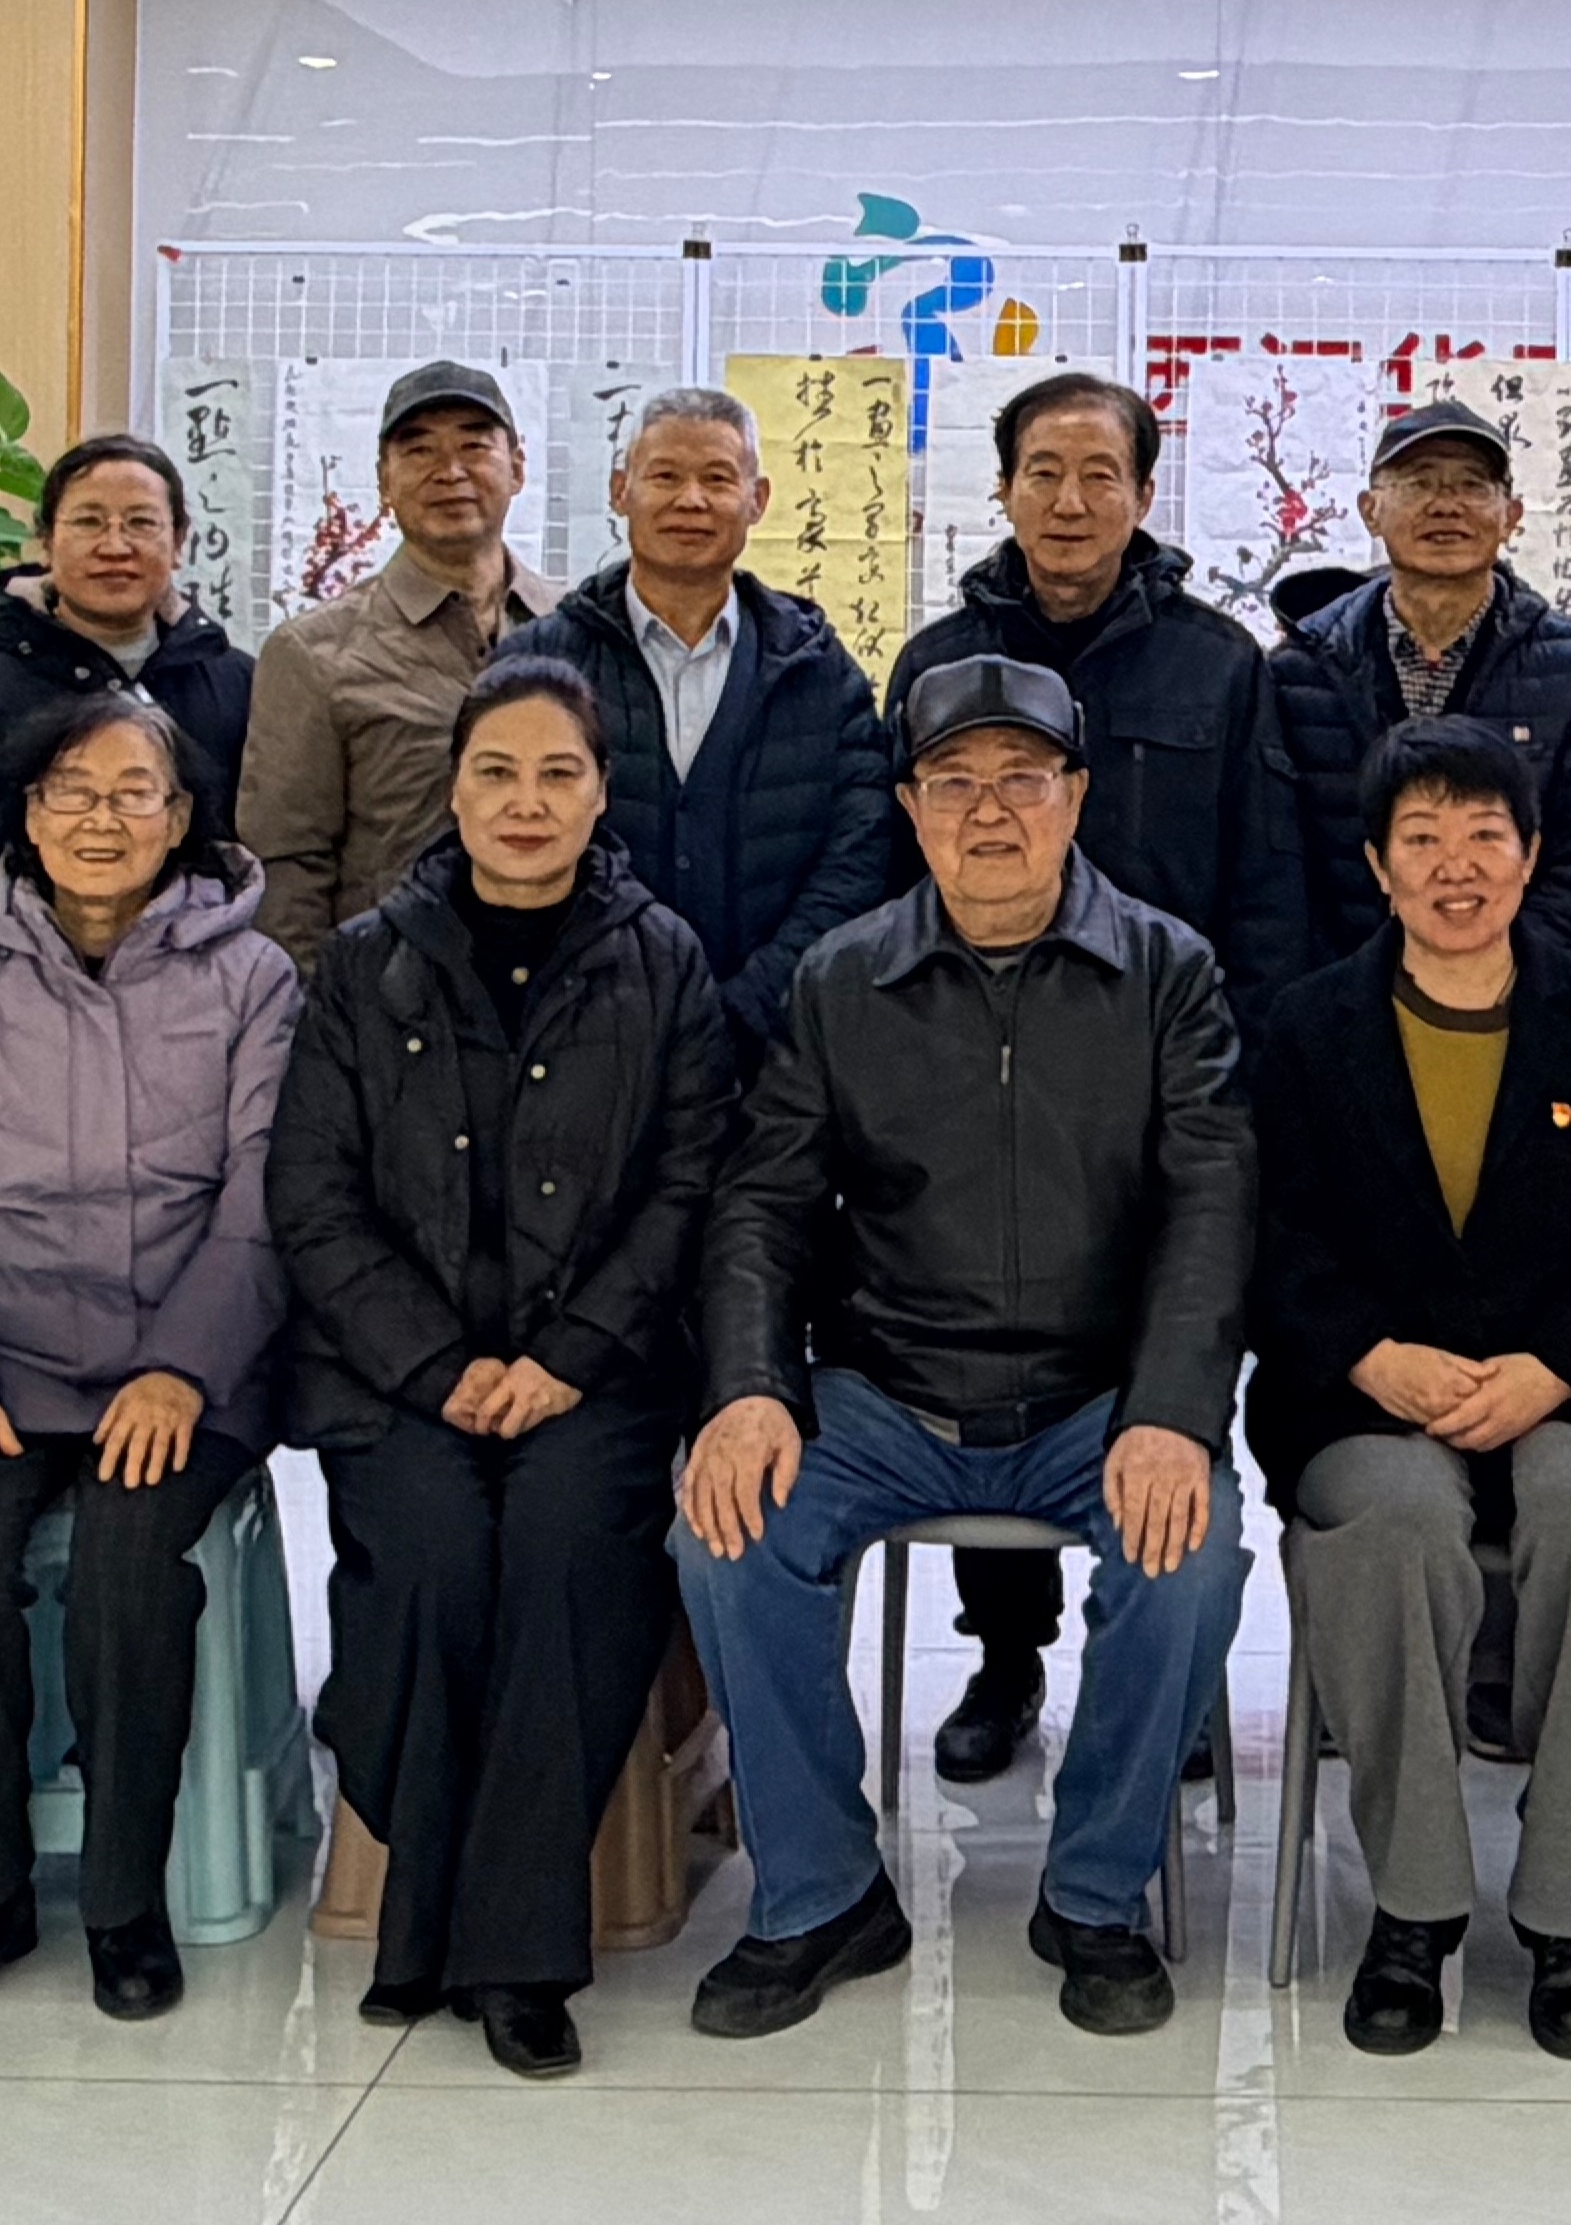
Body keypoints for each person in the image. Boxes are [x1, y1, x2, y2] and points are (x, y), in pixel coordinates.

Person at [672, 653, 1258, 2043]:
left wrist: (1170, 1411)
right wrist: (749, 1388)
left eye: (1021, 778)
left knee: (1189, 1556)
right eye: (953, 783)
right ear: (910, 808)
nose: (988, 811)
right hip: (885, 1390)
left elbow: (1212, 1199)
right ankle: (818, 1891)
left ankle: (1096, 1894)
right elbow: (759, 1203)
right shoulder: (843, 976)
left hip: (1094, 1396)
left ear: (1076, 796)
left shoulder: (1165, 970)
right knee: (726, 1532)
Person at [274, 657, 736, 2079]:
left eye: (556, 774)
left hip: (596, 1372)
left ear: (600, 796)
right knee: (426, 1557)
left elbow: (687, 1184)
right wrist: (433, 1366)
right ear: (452, 791)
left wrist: (566, 1357)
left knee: (559, 1548)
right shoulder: (366, 962)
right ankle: (423, 1911)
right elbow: (313, 1196)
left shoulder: (663, 961)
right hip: (396, 1375)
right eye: (496, 772)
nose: (525, 802)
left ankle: (519, 1952)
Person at [0, 693, 300, 2027]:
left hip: (187, 1364)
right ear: (28, 817)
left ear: (181, 814)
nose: (101, 818)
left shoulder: (252, 979)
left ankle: (122, 1897)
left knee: (127, 1564)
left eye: (133, 790)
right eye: (69, 792)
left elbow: (266, 1199)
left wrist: (185, 1366)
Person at [1247, 716, 1571, 2063]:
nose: (1456, 867)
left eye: (1484, 836)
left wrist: (1552, 1365)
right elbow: (1269, 1234)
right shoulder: (1310, 1026)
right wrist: (1366, 1353)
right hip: (1365, 1393)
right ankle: (1414, 1906)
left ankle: (1569, 1913)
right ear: (1376, 866)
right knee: (1393, 1526)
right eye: (1423, 839)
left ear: (1531, 854)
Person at [882, 370, 1298, 1779]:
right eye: (1043, 472)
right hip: (977, 1067)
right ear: (1003, 488)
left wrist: (1244, 1072)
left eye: (1098, 474)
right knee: (988, 1349)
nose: (1069, 501)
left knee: (1170, 1349)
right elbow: (892, 878)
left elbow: (1263, 880)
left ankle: (1163, 1675)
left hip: (1167, 1071)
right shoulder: (937, 658)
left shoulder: (1217, 663)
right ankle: (1004, 1659)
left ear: (1141, 493)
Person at [487, 386, 896, 1045]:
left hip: (779, 1045)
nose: (691, 500)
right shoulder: (539, 664)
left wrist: (755, 1006)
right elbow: (496, 840)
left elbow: (859, 855)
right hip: (579, 1035)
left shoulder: (817, 669)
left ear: (757, 499)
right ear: (620, 491)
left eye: (717, 479)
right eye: (665, 477)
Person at [1266, 398, 1571, 957]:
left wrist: (1499, 972)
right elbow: (1277, 857)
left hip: (1521, 980)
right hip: (1343, 983)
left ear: (1511, 515)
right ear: (1370, 510)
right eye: (1419, 483)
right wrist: (1349, 985)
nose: (1446, 505)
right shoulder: (1300, 670)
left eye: (1471, 485)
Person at [256, 361, 563, 964]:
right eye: (419, 450)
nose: (449, 472)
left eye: (474, 445)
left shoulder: (576, 630)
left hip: (559, 982)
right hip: (390, 989)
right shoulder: (313, 654)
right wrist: (319, 1004)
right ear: (384, 481)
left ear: (518, 466)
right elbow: (288, 865)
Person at [0, 434, 256, 938]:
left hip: (206, 969)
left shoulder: (238, 685)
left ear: (178, 542)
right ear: (46, 542)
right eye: (88, 522)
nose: (115, 546)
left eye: (141, 523)